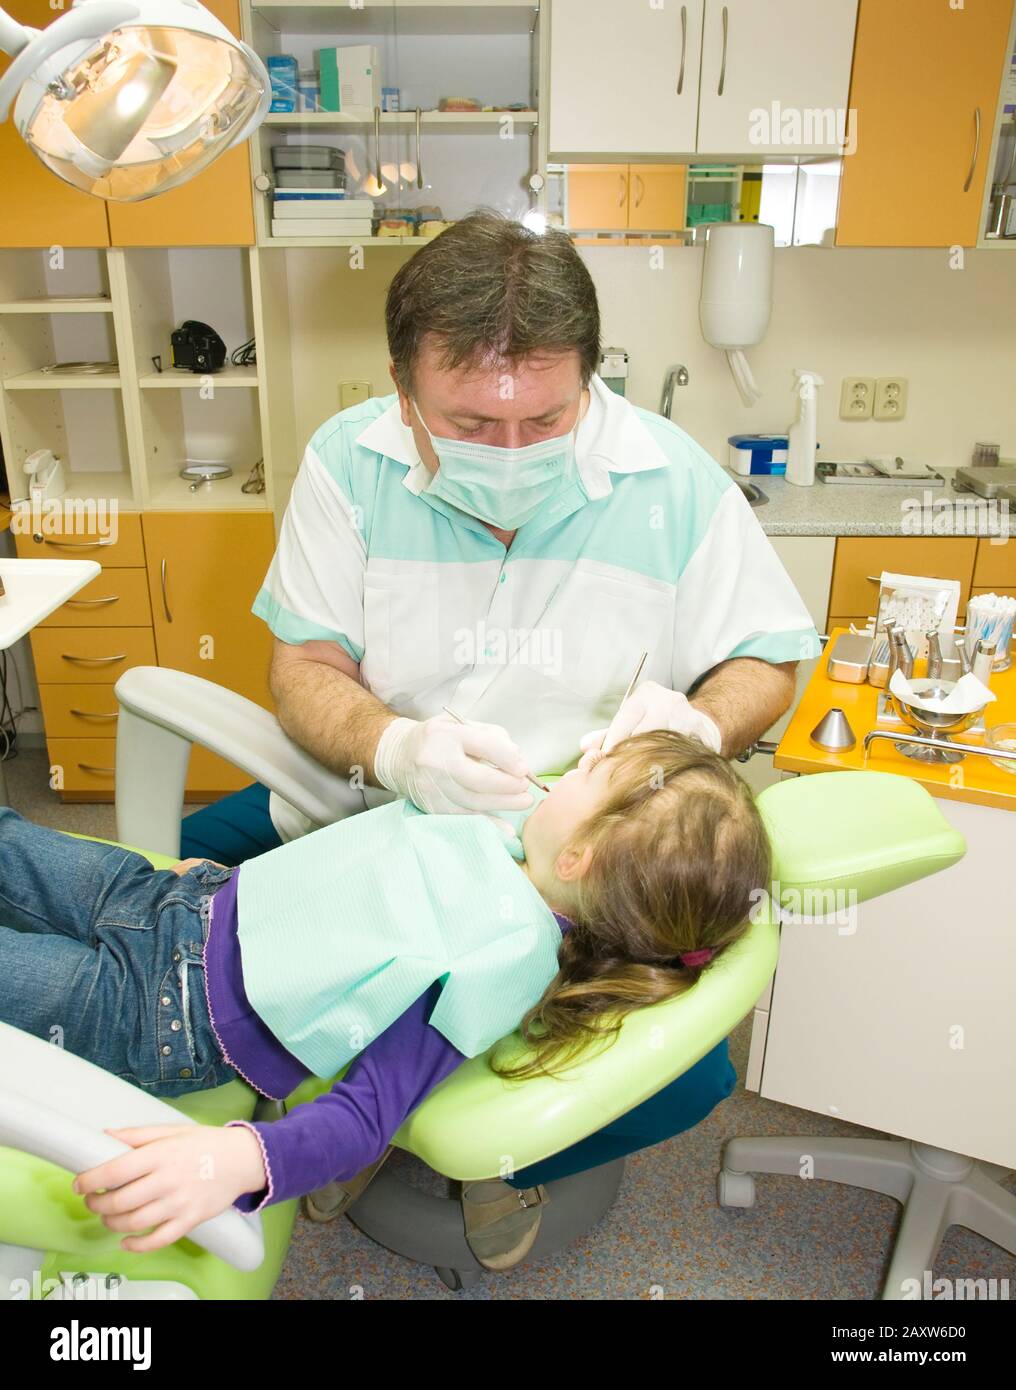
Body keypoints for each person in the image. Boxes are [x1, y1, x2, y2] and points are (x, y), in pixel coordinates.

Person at [177, 208, 819, 1251]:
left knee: (687, 1069)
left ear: (587, 380)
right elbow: (302, 668)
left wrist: (701, 716)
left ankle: (488, 1148)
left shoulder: (672, 479)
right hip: (368, 812)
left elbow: (768, 656)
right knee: (181, 892)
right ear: (402, 389)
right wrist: (393, 746)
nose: (511, 452)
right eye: (471, 424)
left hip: (562, 856)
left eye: (546, 419)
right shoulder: (347, 464)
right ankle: (348, 1117)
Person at [0, 731, 771, 1269]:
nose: (580, 756)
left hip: (161, 1012)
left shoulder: (496, 960)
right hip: (174, 899)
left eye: (587, 774)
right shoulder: (517, 836)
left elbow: (368, 1117)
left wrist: (234, 1159)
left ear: (578, 855)